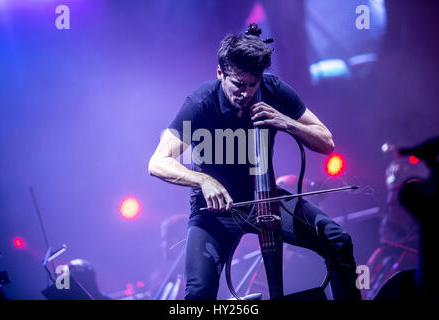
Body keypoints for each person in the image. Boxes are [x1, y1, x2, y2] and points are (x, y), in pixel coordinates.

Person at [148, 24, 361, 300]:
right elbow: (157, 162)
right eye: (238, 84)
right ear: (219, 73)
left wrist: (286, 122)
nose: (246, 93)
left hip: (267, 200)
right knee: (199, 292)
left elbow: (326, 141)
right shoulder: (201, 103)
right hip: (215, 210)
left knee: (338, 240)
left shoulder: (272, 89)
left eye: (253, 85)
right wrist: (203, 180)